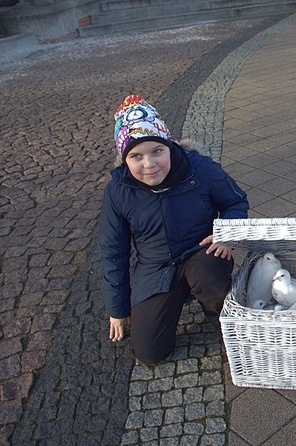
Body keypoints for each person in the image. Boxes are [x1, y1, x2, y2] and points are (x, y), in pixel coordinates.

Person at [99, 94, 249, 365]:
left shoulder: (200, 168)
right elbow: (113, 252)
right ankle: (176, 298)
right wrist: (118, 309)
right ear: (124, 159)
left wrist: (226, 233)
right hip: (156, 267)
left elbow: (235, 202)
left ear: (169, 145)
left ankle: (216, 307)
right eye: (136, 156)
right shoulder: (118, 191)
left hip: (201, 252)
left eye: (157, 151)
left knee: (212, 285)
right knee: (150, 353)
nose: (149, 164)